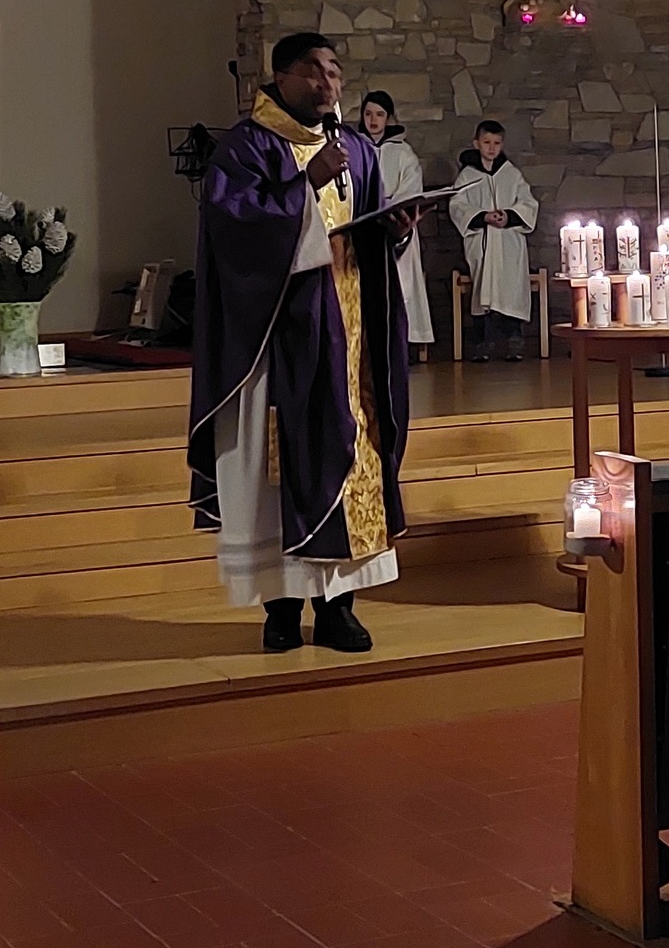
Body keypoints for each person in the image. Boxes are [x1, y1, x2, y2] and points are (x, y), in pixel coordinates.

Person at [188, 34, 419, 655]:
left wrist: (395, 231)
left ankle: (339, 608)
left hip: (350, 339)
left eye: (335, 71)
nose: (328, 83)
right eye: (314, 70)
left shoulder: (357, 150)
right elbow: (233, 234)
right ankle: (282, 609)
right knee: (277, 473)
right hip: (279, 342)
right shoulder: (246, 147)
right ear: (282, 77)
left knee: (351, 457)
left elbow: (365, 229)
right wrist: (301, 188)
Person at [450, 120, 539, 362]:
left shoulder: (511, 174)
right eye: (486, 142)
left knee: (511, 284)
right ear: (476, 143)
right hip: (482, 242)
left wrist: (508, 216)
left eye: (496, 143)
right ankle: (482, 341)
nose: (491, 148)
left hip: (508, 242)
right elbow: (457, 205)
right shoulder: (468, 176)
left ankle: (514, 338)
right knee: (483, 286)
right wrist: (483, 217)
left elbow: (528, 203)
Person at [359, 90, 434, 354]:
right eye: (368, 114)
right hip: (364, 226)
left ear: (389, 118)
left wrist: (390, 206)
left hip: (397, 226)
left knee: (401, 284)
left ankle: (402, 344)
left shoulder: (404, 153)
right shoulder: (355, 148)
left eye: (379, 114)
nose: (373, 120)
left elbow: (411, 190)